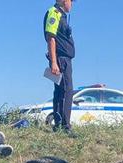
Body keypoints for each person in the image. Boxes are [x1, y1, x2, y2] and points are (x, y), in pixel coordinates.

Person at [44, 0, 76, 132]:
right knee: (67, 91)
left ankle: (59, 125)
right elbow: (51, 37)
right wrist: (54, 62)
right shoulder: (54, 13)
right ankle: (65, 126)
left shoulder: (62, 15)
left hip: (63, 59)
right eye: (71, 1)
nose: (72, 4)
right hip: (60, 59)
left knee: (60, 91)